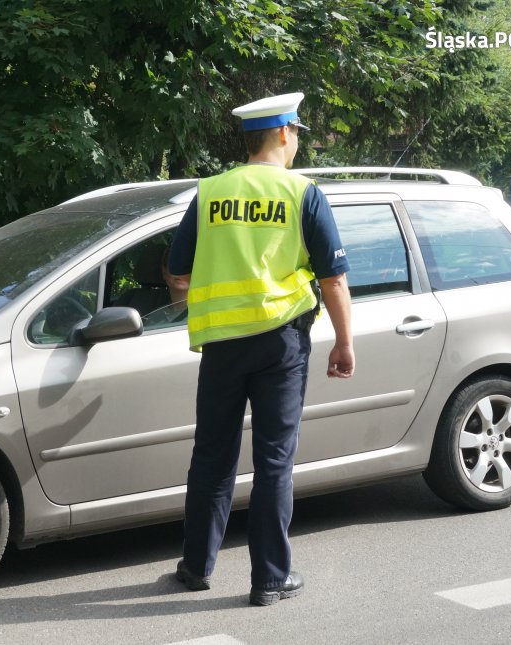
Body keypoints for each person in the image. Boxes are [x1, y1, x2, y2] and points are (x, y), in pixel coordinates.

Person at [168, 91, 355, 606]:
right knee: (274, 460)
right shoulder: (302, 192)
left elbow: (178, 273)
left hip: (221, 346)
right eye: (296, 133)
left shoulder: (210, 192)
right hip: (281, 344)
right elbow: (333, 279)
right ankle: (270, 579)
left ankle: (196, 566)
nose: (296, 142)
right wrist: (344, 342)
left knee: (212, 455)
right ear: (284, 133)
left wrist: (195, 299)